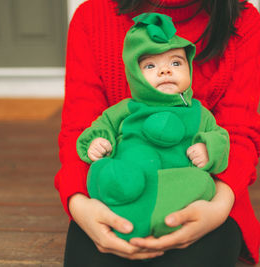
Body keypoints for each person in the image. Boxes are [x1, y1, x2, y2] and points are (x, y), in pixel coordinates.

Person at [55, 0, 260, 266]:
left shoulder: (241, 19)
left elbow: (238, 132)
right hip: (116, 195)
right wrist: (79, 204)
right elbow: (81, 129)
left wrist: (218, 206)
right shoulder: (92, 16)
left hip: (205, 195)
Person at [76, 12, 230, 241]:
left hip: (176, 179)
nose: (165, 71)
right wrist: (98, 142)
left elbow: (221, 137)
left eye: (176, 62)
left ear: (189, 67)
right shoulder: (127, 109)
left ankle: (168, 219)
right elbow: (102, 125)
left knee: (204, 183)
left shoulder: (199, 113)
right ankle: (119, 196)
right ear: (134, 75)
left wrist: (208, 149)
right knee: (107, 172)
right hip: (131, 173)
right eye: (150, 66)